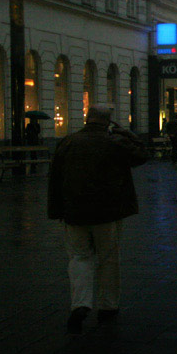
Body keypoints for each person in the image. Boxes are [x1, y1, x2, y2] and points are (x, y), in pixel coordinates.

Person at [48, 104, 147, 334]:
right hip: (107, 211)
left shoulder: (69, 142)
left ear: (87, 118)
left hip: (74, 212)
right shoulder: (114, 142)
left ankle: (80, 304)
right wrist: (125, 132)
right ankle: (108, 306)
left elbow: (55, 178)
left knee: (79, 258)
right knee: (108, 259)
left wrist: (56, 210)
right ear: (108, 122)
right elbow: (142, 155)